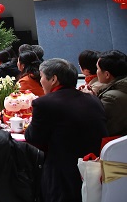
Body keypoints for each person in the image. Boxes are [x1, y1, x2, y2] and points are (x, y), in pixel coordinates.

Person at [25, 58, 107, 202]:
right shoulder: (93, 100)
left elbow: (33, 138)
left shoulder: (44, 103)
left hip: (62, 175)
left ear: (53, 79)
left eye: (42, 76)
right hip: (94, 169)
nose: (40, 81)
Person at [95, 50, 127, 136]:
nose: (96, 72)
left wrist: (90, 100)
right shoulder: (122, 88)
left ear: (107, 75)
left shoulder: (110, 98)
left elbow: (96, 125)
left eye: (97, 68)